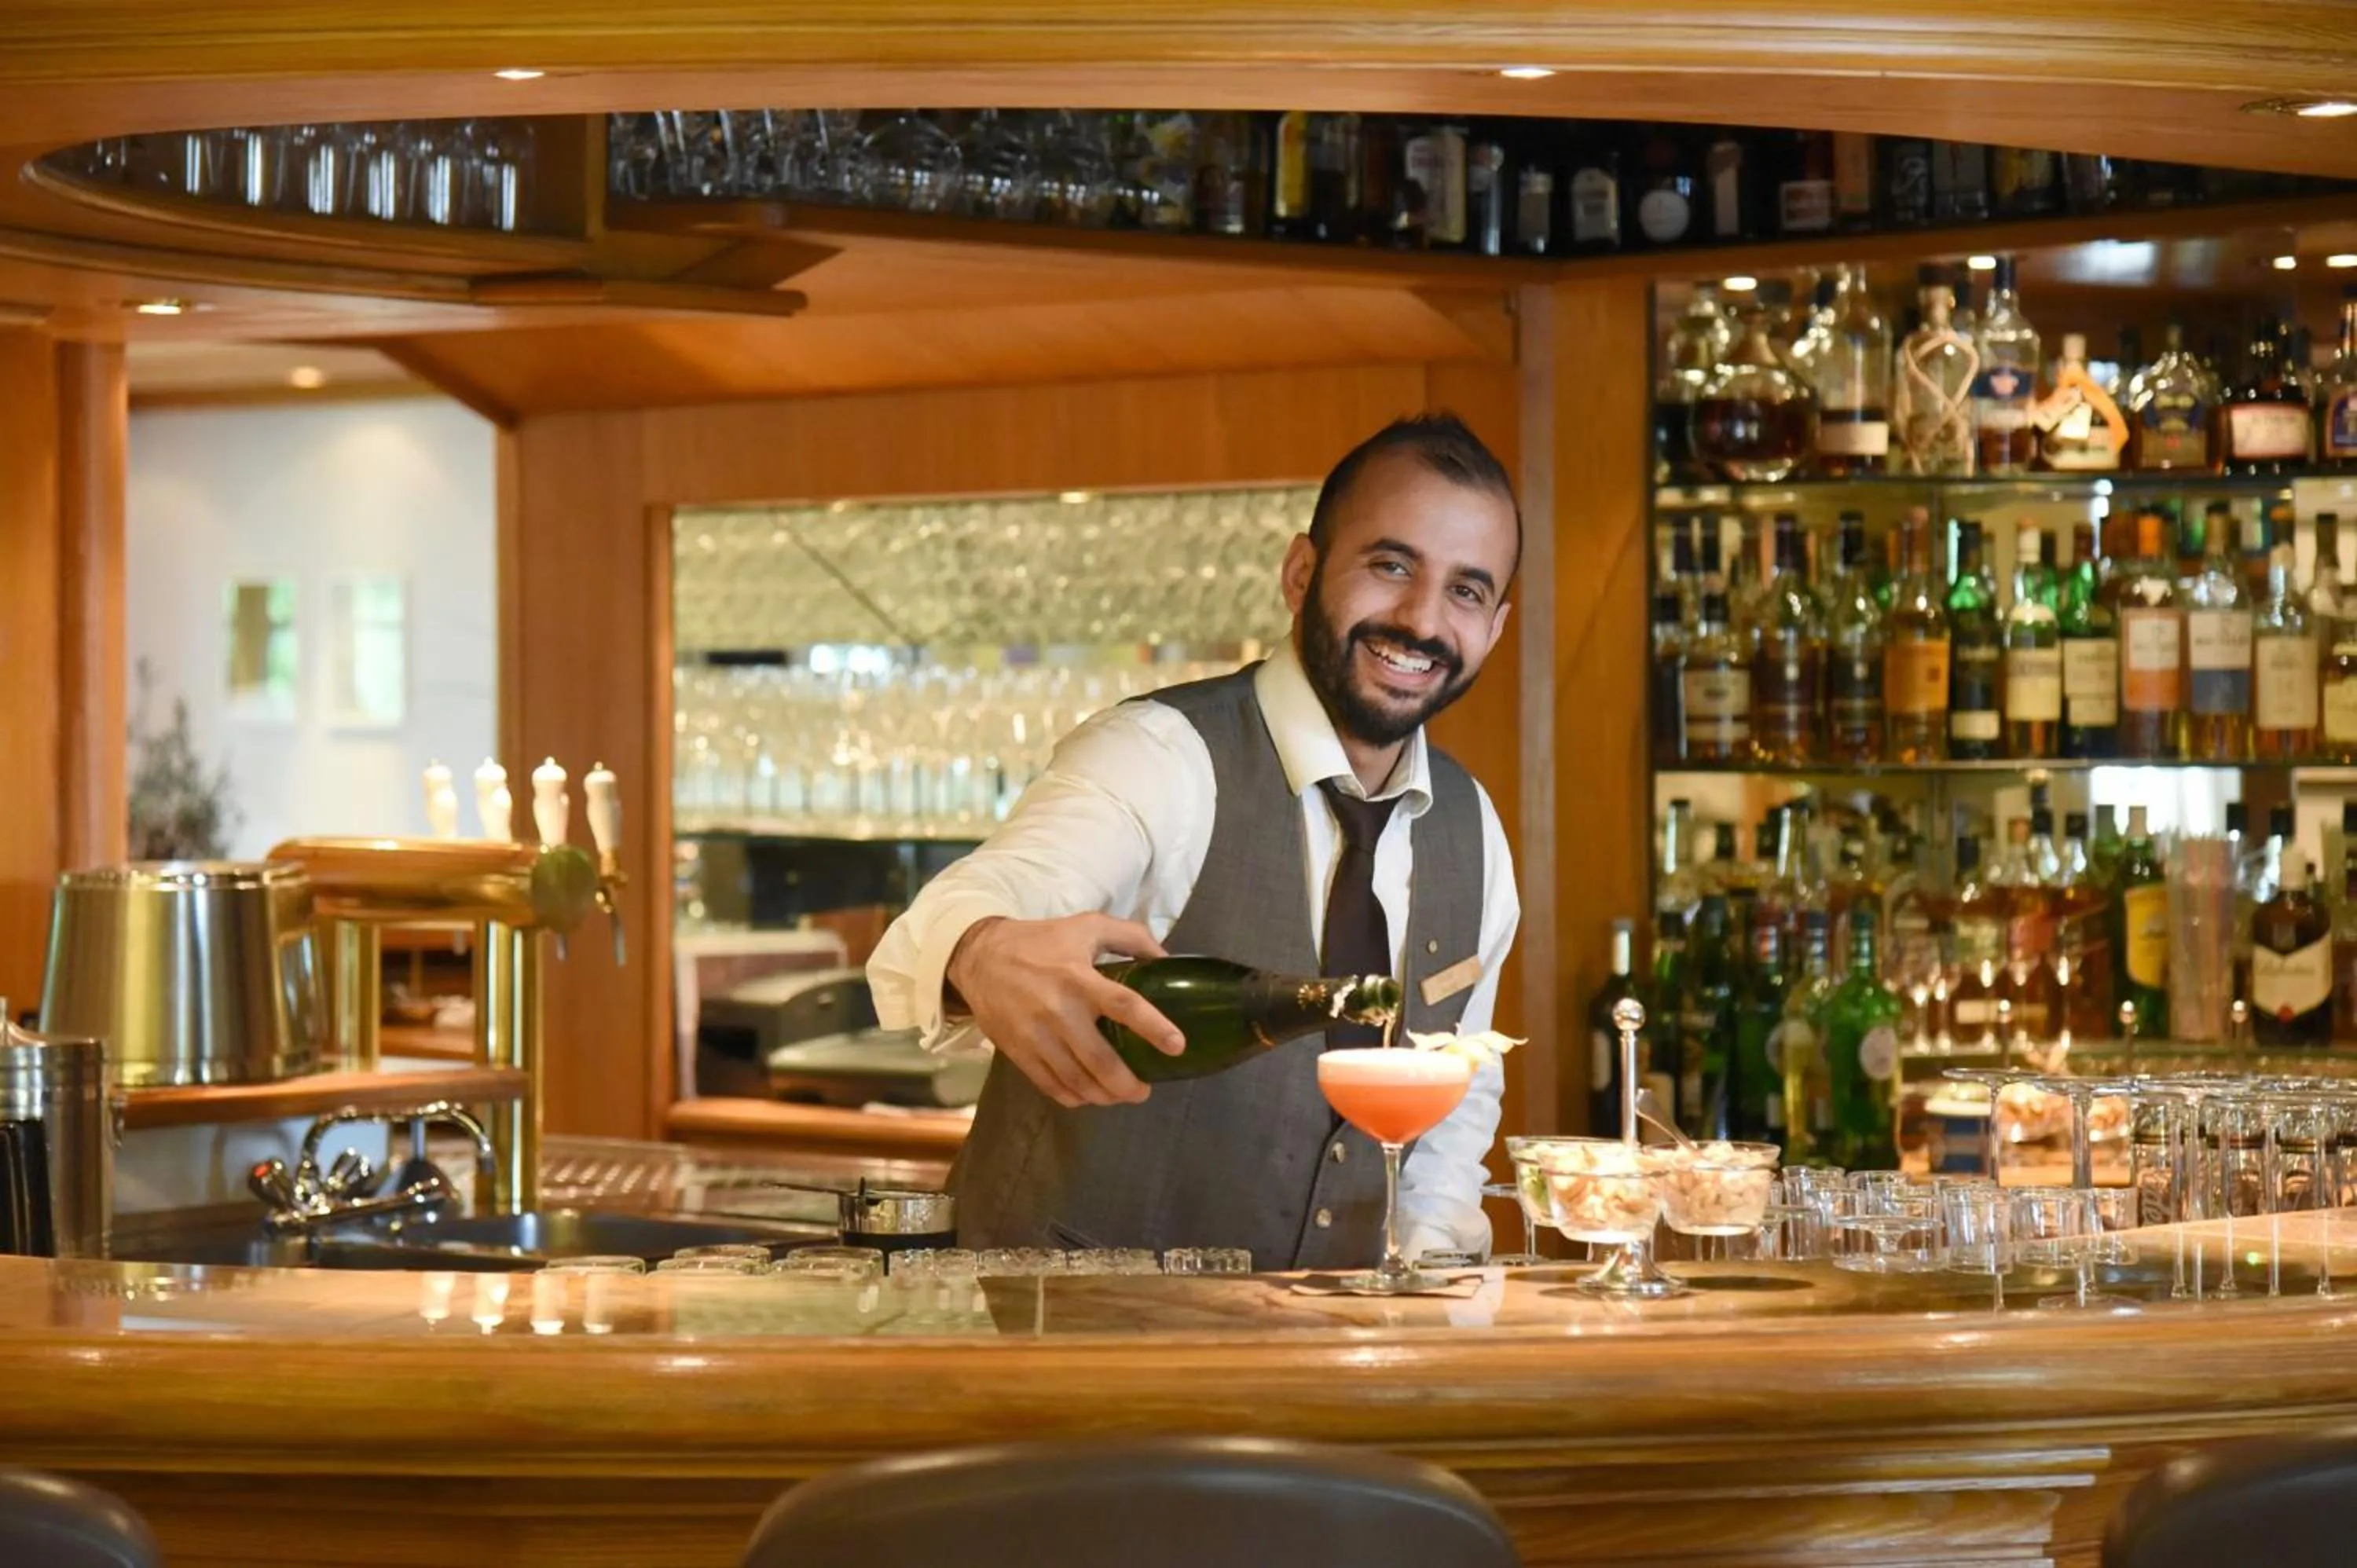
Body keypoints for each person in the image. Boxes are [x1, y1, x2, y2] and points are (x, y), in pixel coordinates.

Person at [867, 412, 1522, 1269]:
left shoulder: (1473, 832)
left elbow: (1451, 1121)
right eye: (1391, 564)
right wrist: (982, 951)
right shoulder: (1160, 756)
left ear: (1496, 627)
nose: (1421, 619)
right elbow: (987, 895)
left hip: (1324, 1374)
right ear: (1301, 571)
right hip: (1060, 1345)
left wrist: (1426, 1288)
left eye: (1465, 591)